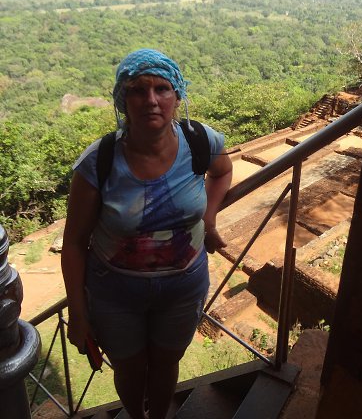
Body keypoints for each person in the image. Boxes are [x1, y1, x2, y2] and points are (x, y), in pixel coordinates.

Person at [61, 48, 233, 419]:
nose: (151, 100)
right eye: (138, 90)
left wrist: (209, 218)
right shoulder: (98, 161)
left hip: (183, 286)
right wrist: (78, 311)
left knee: (167, 362)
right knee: (129, 368)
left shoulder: (201, 141)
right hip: (115, 291)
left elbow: (222, 173)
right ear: (122, 101)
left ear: (177, 96)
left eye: (162, 88)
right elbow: (73, 243)